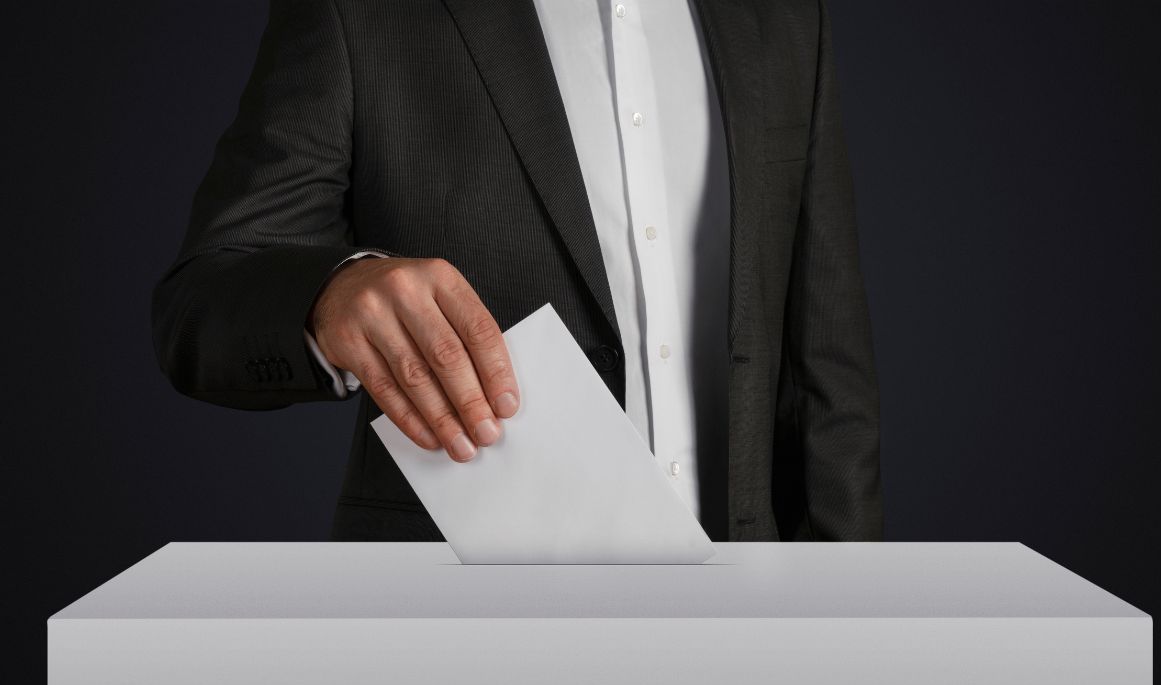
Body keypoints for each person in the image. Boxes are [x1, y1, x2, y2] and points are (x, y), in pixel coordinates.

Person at [152, 0, 882, 543]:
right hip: (456, 630)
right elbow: (200, 301)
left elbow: (827, 376)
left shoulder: (784, 17)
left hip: (739, 628)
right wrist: (330, 294)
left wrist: (849, 635)